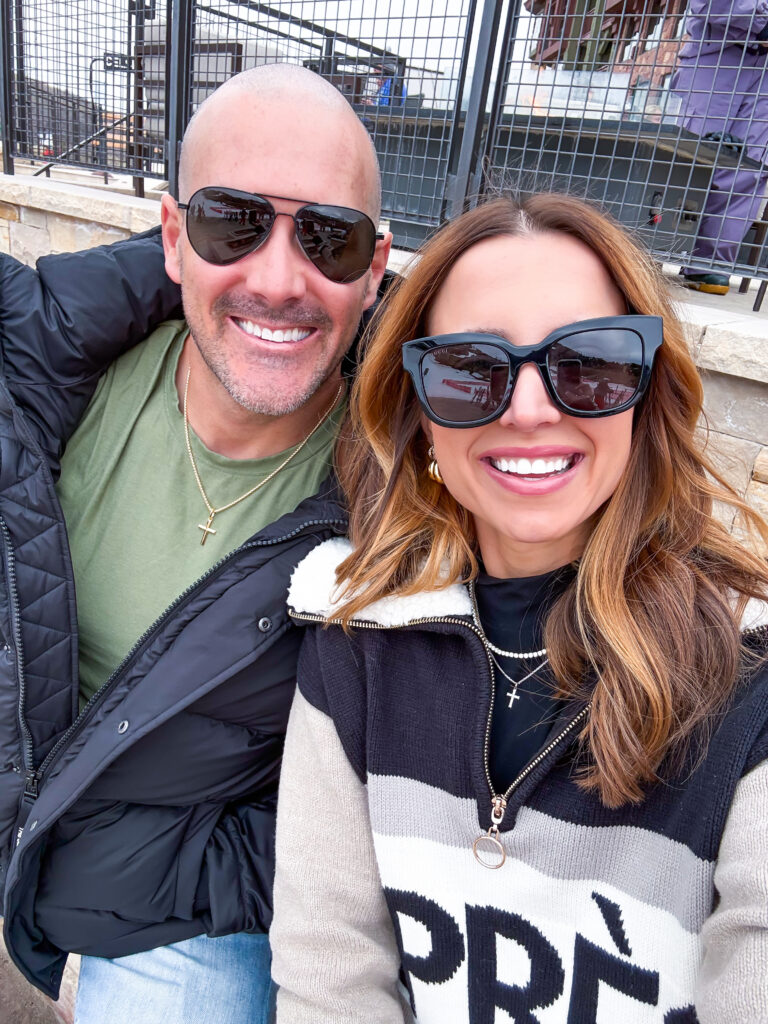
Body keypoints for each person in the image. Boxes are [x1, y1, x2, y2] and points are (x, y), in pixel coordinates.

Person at [271, 193, 768, 1023]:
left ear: (646, 395)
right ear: (420, 411)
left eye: (592, 362)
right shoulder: (352, 636)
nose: (530, 409)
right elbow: (332, 978)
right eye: (470, 368)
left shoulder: (749, 672)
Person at [1, 64, 391, 1024]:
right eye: (233, 222)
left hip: (186, 885)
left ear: (376, 267)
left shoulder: (414, 482)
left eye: (329, 240)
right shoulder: (47, 369)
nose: (277, 280)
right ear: (173, 238)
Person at [672, 0, 768, 294]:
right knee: (688, 158)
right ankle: (654, 245)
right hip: (715, 58)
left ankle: (709, 264)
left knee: (751, 166)